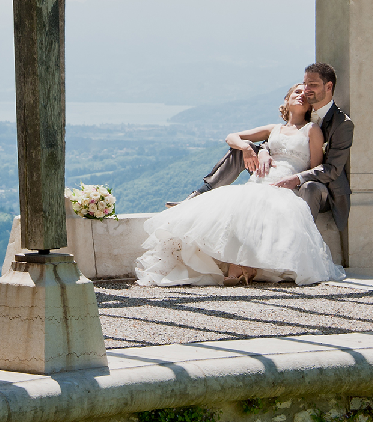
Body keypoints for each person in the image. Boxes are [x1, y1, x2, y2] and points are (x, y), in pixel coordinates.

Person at [135, 84, 346, 286]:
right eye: (296, 92)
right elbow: (231, 136)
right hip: (260, 180)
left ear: (310, 104)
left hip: (286, 184)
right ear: (286, 99)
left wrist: (293, 180)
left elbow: (315, 167)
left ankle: (241, 267)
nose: (301, 95)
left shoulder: (312, 130)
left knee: (256, 205)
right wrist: (248, 148)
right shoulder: (274, 129)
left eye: (305, 94)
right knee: (239, 205)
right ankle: (239, 266)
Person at [187, 63, 352, 255]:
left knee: (310, 187)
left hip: (317, 185)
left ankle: (299, 249)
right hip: (274, 172)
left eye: (311, 85)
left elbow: (330, 169)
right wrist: (259, 150)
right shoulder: (295, 116)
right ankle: (202, 193)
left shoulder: (341, 124)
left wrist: (296, 178)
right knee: (241, 153)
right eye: (304, 85)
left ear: (328, 87)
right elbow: (281, 141)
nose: (305, 91)